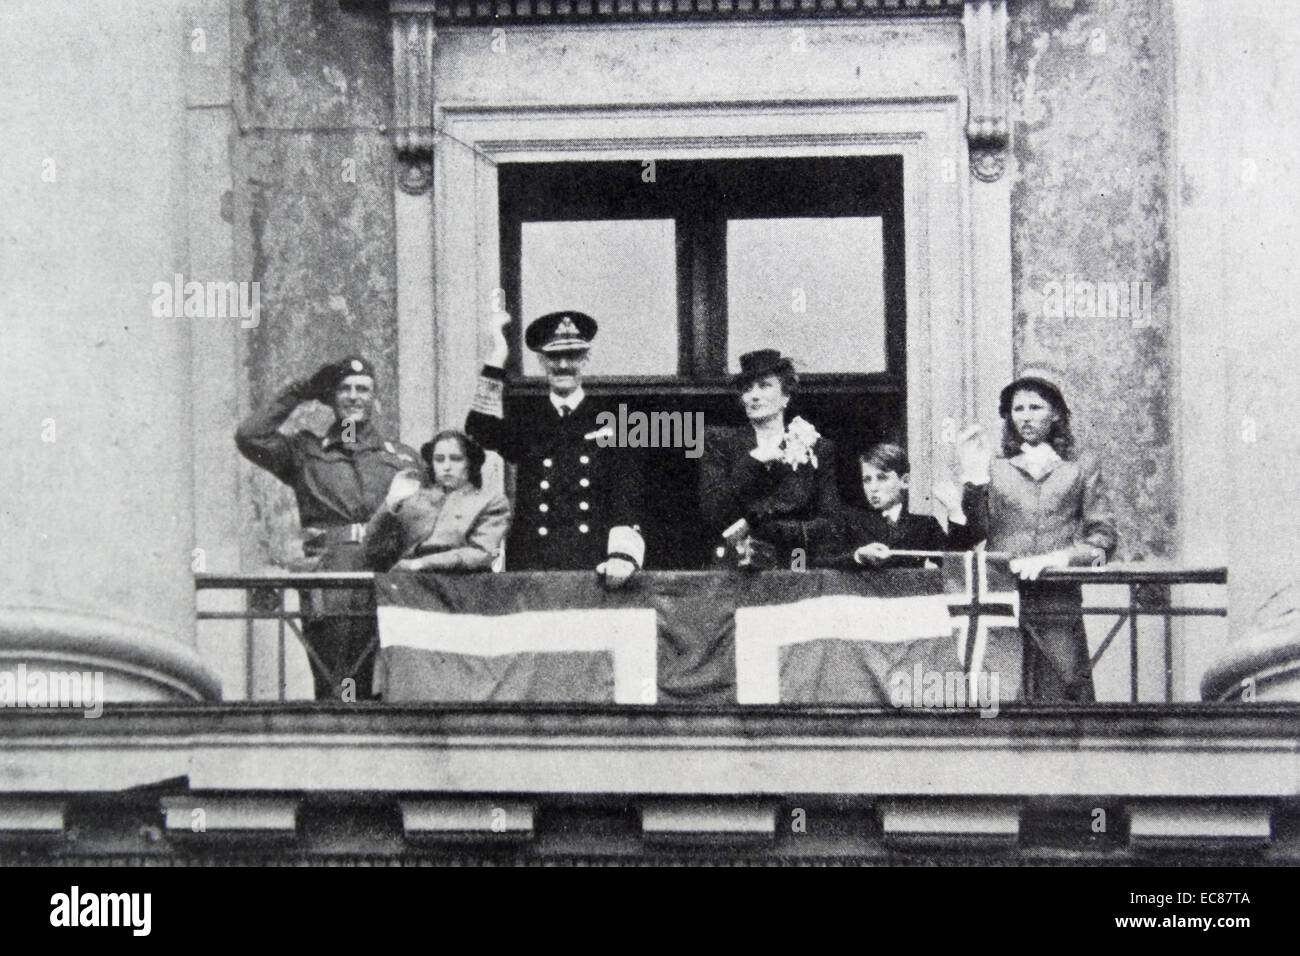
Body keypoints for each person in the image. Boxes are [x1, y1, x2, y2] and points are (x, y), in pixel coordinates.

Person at [235, 356, 422, 701]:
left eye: (362, 389)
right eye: (344, 389)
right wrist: (302, 391)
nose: (353, 396)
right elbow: (250, 437)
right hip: (331, 573)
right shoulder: (304, 452)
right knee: (338, 680)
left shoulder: (404, 459)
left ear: (374, 397)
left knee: (391, 677)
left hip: (386, 573)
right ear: (332, 398)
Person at [956, 374, 1118, 702]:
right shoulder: (996, 467)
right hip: (1004, 598)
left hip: (1058, 600)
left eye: (1035, 407)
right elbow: (973, 533)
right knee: (1005, 692)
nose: (1026, 416)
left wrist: (1060, 559)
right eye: (1018, 409)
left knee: (1062, 691)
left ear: (1056, 413)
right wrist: (973, 481)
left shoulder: (1079, 468)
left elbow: (1104, 542)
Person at [464, 311, 645, 585]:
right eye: (553, 357)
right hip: (531, 562)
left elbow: (625, 494)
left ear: (586, 358)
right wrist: (498, 355)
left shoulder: (612, 420)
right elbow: (479, 427)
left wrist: (623, 554)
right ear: (541, 361)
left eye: (572, 356)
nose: (562, 365)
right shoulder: (528, 419)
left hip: (592, 564)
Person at [699, 349, 840, 569]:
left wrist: (758, 522)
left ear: (786, 395)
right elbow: (713, 512)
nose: (754, 395)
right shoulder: (719, 443)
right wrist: (754, 461)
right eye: (747, 388)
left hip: (795, 559)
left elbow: (830, 523)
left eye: (764, 386)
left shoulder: (815, 447)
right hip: (736, 562)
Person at [363, 429, 512, 573]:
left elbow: (482, 554)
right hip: (408, 585)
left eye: (456, 459)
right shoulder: (415, 500)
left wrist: (420, 564)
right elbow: (372, 551)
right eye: (439, 460)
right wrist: (391, 503)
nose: (446, 467)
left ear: (469, 463)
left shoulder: (490, 502)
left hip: (459, 585)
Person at [823, 442, 974, 569]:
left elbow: (956, 566)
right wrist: (859, 556)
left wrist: (954, 511)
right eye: (867, 480)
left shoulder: (925, 525)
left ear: (905, 481)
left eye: (882, 478)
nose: (873, 487)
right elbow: (821, 562)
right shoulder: (850, 521)